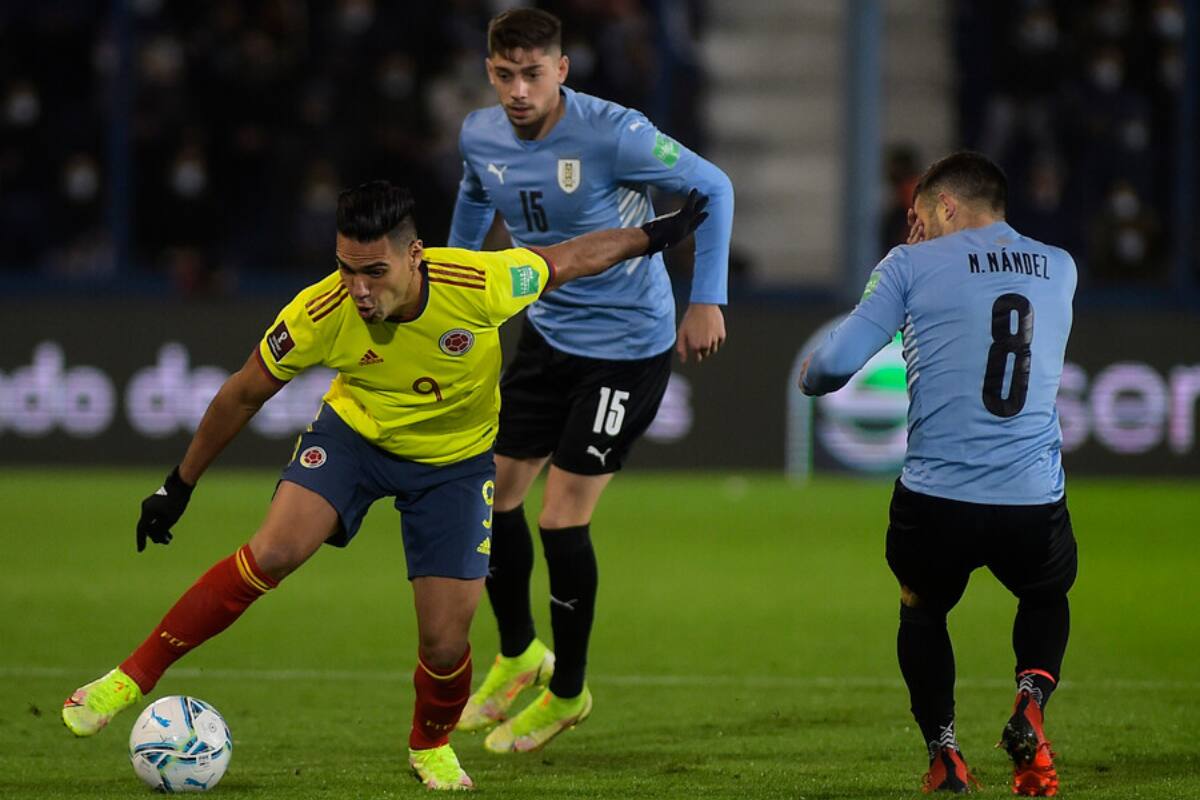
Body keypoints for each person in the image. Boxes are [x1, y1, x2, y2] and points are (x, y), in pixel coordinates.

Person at [61, 179, 709, 791]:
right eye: (346, 268)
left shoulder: (479, 283)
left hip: (454, 467)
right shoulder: (319, 311)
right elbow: (241, 394)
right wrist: (179, 484)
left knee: (446, 640)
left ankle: (428, 744)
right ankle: (128, 678)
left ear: (415, 258)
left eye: (373, 271)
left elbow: (569, 258)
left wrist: (655, 235)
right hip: (355, 440)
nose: (358, 288)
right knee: (275, 550)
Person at [446, 8, 734, 754]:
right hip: (547, 336)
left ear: (562, 70)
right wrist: (454, 281)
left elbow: (714, 187)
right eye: (504, 74)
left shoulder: (616, 133)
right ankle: (519, 654)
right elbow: (478, 194)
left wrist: (706, 297)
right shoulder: (479, 134)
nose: (517, 90)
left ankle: (567, 693)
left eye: (532, 74)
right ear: (489, 71)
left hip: (626, 350)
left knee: (560, 519)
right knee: (493, 497)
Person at [800, 152, 1077, 796]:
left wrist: (808, 372)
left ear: (946, 205)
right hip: (1032, 498)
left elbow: (833, 366)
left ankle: (945, 755)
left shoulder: (909, 264)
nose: (912, 229)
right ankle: (1031, 699)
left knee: (921, 610)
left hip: (937, 499)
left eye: (918, 215)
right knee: (1044, 594)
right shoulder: (1061, 267)